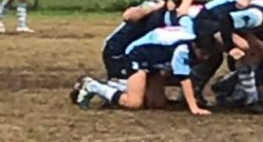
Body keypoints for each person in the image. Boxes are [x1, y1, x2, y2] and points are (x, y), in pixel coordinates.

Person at [73, 26, 209, 116]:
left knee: (157, 104)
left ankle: (114, 86)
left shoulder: (191, 40)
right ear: (195, 46)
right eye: (203, 53)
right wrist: (194, 108)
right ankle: (92, 85)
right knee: (133, 103)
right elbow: (184, 79)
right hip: (137, 55)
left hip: (154, 62)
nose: (205, 58)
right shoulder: (182, 50)